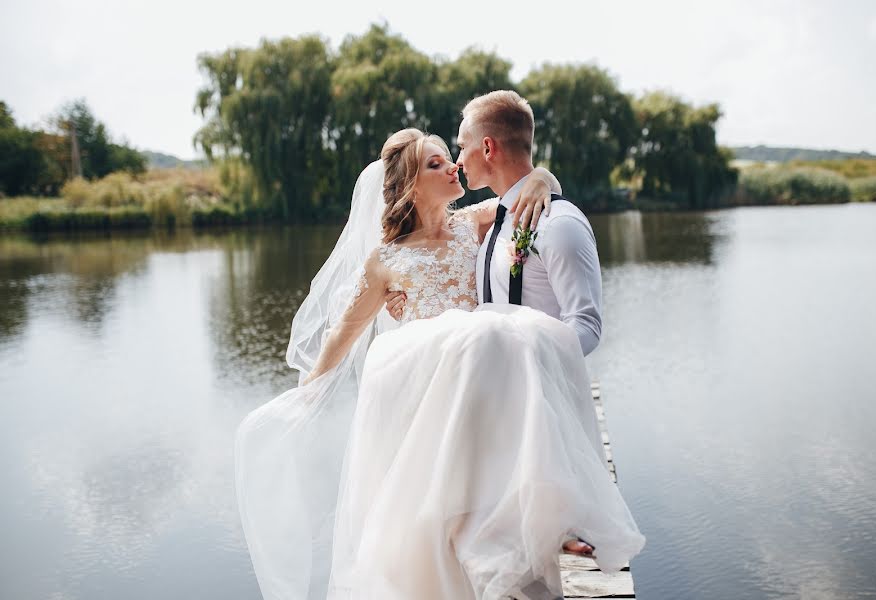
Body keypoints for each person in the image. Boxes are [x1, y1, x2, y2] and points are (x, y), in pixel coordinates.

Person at [235, 127, 644, 600]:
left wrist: (543, 178)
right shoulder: (385, 260)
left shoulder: (472, 223)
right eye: (435, 164)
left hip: (478, 383)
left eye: (450, 157)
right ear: (409, 185)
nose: (453, 167)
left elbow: (522, 193)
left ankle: (544, 530)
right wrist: (308, 390)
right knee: (433, 529)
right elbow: (344, 331)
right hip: (427, 393)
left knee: (503, 449)